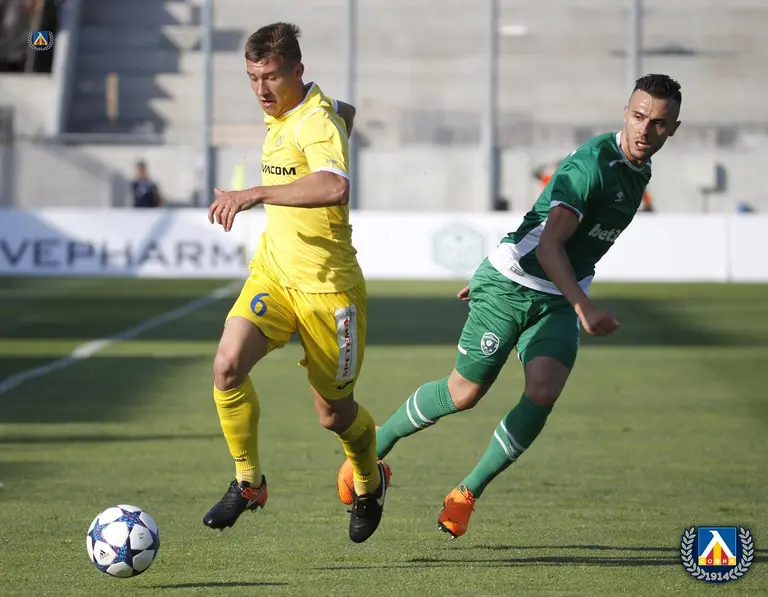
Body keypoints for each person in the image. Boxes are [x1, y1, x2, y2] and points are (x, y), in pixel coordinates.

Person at [337, 73, 682, 538]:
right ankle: (371, 451)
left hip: (556, 297)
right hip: (513, 284)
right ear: (625, 113)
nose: (645, 129)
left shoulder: (640, 170)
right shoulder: (590, 167)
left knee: (544, 390)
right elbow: (548, 246)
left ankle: (466, 494)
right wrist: (580, 305)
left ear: (672, 129)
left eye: (658, 123)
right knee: (464, 393)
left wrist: (571, 298)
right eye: (638, 116)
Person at [205, 22, 387, 544]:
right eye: (252, 78)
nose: (261, 89)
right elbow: (343, 112)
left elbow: (333, 186)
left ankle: (370, 482)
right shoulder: (294, 110)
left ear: (297, 71)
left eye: (271, 77)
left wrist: (255, 193)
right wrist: (339, 115)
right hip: (275, 275)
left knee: (334, 416)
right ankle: (249, 482)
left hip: (329, 291)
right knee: (226, 367)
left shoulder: (314, 121)